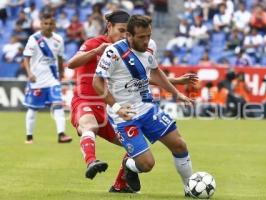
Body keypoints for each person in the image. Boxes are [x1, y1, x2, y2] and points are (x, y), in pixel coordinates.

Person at [68, 10, 197, 193]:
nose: (146, 41)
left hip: (141, 107)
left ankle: (187, 188)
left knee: (177, 144)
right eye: (121, 30)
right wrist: (117, 107)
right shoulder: (108, 49)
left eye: (148, 36)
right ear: (113, 28)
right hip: (106, 107)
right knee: (92, 128)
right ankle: (93, 162)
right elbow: (83, 71)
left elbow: (149, 73)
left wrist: (176, 88)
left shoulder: (147, 46)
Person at [23, 12, 72, 144]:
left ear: (55, 25)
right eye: (46, 23)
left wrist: (61, 73)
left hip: (53, 80)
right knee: (32, 109)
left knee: (58, 106)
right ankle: (29, 136)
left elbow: (60, 58)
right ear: (41, 24)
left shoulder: (59, 39)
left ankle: (61, 135)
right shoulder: (34, 39)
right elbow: (26, 59)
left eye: (51, 24)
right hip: (36, 80)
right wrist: (29, 74)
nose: (48, 26)